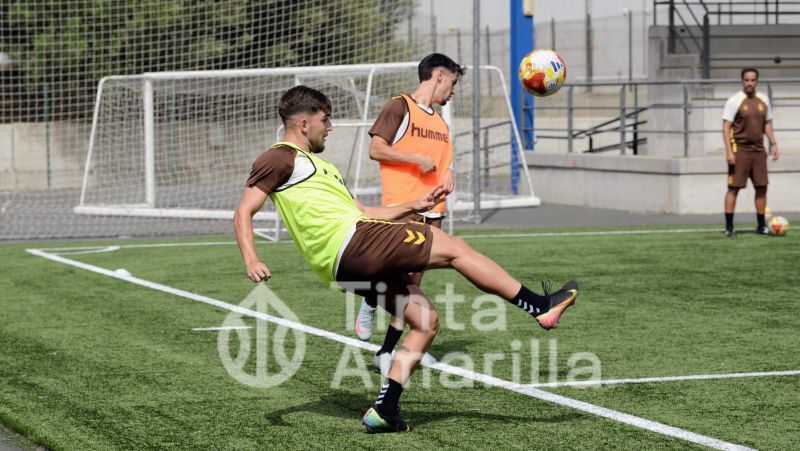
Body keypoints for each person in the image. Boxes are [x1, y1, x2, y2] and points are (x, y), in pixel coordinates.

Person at [234, 85, 579, 433]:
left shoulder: (321, 167)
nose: (331, 127)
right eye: (326, 119)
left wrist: (417, 204)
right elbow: (243, 211)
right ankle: (539, 306)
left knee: (426, 321)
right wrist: (251, 258)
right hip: (355, 243)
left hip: (347, 259)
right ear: (304, 123)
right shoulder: (279, 157)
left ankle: (384, 410)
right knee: (455, 248)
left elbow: (366, 211)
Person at [354, 53, 463, 376]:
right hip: (403, 208)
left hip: (434, 212)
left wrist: (451, 171)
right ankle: (371, 297)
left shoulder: (440, 122)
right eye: (453, 83)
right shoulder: (399, 106)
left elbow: (443, 160)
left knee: (412, 286)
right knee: (397, 280)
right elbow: (377, 149)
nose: (453, 91)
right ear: (439, 75)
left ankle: (390, 350)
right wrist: (414, 158)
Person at [722, 67, 780, 237]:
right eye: (746, 80)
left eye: (752, 80)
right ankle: (729, 227)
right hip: (739, 150)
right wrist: (729, 152)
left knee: (762, 188)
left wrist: (774, 143)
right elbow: (726, 127)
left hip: (758, 151)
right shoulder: (734, 100)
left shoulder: (764, 100)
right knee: (734, 188)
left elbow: (767, 124)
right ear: (742, 81)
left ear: (757, 81)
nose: (749, 83)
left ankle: (761, 226)